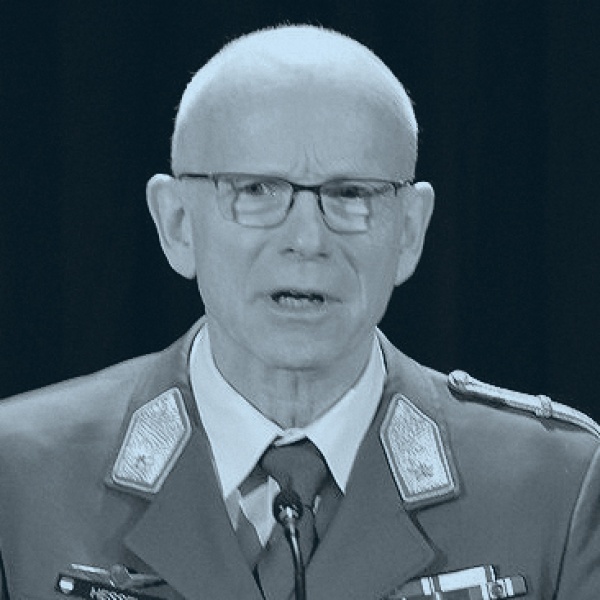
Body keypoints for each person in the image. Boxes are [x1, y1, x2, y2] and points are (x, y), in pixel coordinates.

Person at [0, 25, 598, 600]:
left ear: (410, 231)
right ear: (177, 222)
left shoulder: (556, 486)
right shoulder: (19, 475)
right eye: (256, 190)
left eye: (351, 194)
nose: (308, 240)